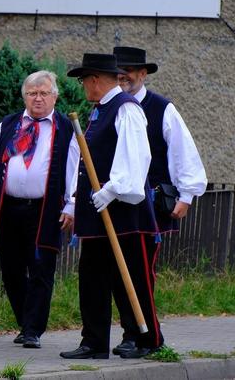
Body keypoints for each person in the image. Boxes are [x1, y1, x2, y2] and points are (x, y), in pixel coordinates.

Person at [60, 53, 162, 360]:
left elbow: (136, 156)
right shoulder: (97, 111)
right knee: (92, 276)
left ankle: (144, 339)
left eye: (83, 81)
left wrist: (113, 188)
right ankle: (93, 341)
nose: (83, 88)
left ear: (94, 80)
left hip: (125, 211)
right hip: (97, 211)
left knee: (131, 277)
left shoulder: (126, 109)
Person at [109, 46, 207, 357]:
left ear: (143, 74)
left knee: (141, 273)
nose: (123, 76)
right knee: (119, 271)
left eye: (129, 71)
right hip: (118, 204)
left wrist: (187, 194)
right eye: (118, 71)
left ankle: (147, 337)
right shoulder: (110, 106)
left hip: (150, 206)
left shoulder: (161, 108)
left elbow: (182, 151)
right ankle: (130, 333)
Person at [0, 70, 77, 349]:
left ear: (55, 96)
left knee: (42, 268)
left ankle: (33, 330)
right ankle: (25, 322)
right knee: (11, 269)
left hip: (45, 209)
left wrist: (72, 204)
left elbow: (73, 169)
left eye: (44, 93)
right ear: (25, 97)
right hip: (8, 208)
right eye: (32, 93)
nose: (38, 98)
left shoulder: (66, 129)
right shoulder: (8, 125)